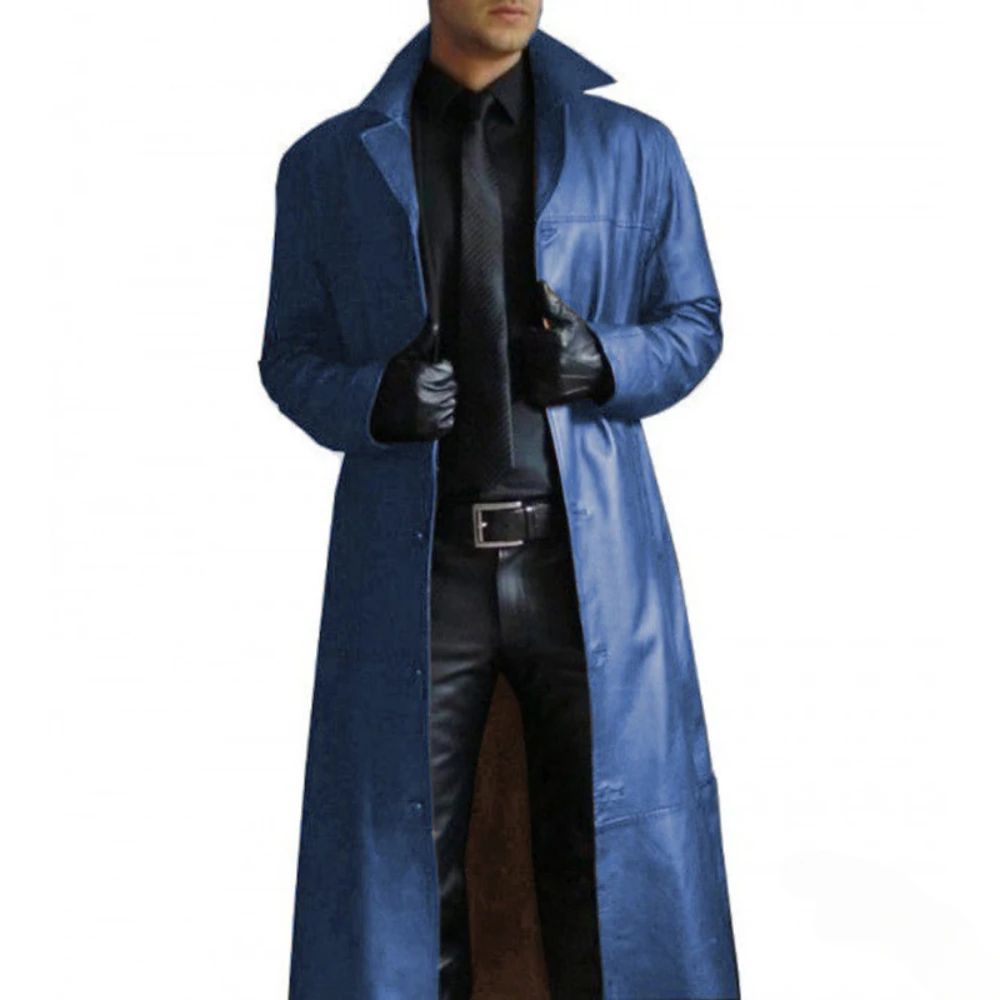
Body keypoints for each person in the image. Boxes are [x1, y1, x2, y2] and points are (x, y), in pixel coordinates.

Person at [259, 4, 740, 999]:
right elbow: (291, 355)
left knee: (604, 864)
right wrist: (374, 400)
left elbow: (695, 320)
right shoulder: (327, 165)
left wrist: (606, 361)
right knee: (406, 870)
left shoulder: (635, 149)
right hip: (418, 566)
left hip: (587, 560)